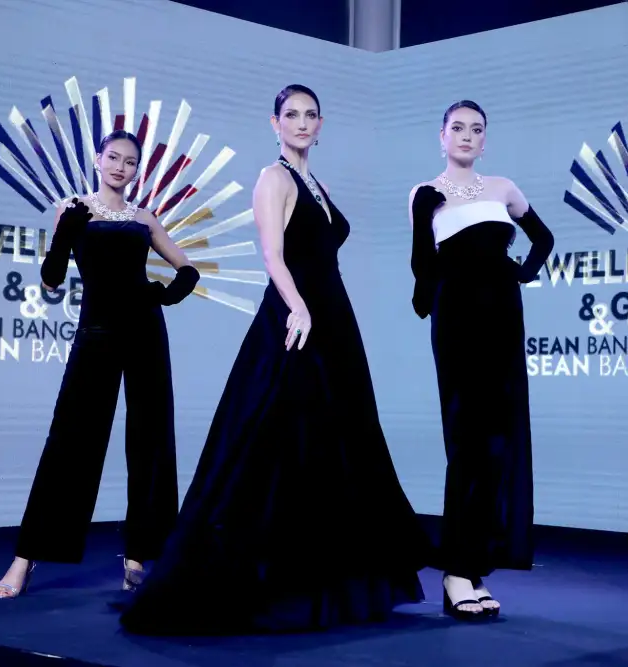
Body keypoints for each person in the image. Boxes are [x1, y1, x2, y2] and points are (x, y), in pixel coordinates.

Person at [116, 84, 430, 635]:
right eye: (291, 114)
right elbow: (272, 255)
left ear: (320, 124)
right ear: (275, 123)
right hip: (294, 319)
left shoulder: (315, 184)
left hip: (332, 320)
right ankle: (257, 581)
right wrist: (299, 308)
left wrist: (317, 311)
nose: (301, 123)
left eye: (310, 115)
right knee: (273, 442)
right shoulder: (274, 178)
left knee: (334, 443)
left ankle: (328, 581)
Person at [0, 129, 200, 599]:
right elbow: (51, 280)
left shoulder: (144, 217)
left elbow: (187, 269)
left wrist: (167, 294)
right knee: (70, 440)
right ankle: (25, 558)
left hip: (145, 332)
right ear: (97, 159)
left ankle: (138, 555)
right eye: (113, 157)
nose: (120, 167)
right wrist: (65, 232)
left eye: (130, 162)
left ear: (137, 170)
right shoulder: (74, 209)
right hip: (97, 332)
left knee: (150, 439)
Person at [408, 100, 554, 621]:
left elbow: (544, 239)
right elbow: (422, 269)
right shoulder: (426, 193)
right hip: (457, 321)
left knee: (496, 443)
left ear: (484, 140)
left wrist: (520, 273)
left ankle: (473, 569)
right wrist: (423, 215)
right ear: (442, 136)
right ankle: (455, 572)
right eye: (458, 128)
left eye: (476, 129)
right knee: (466, 443)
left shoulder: (503, 188)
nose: (467, 135)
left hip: (503, 320)